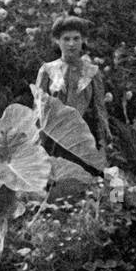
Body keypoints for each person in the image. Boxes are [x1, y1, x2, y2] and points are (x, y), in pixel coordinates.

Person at [34, 15, 110, 164]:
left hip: (83, 141)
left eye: (76, 38)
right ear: (57, 41)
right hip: (53, 140)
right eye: (66, 39)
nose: (71, 44)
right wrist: (37, 144)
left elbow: (100, 111)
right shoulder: (47, 70)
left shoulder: (92, 72)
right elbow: (38, 111)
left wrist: (103, 144)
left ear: (83, 40)